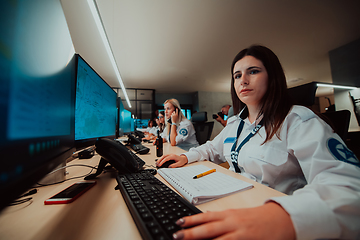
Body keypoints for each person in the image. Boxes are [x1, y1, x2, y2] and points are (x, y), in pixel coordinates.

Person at [157, 45, 360, 240]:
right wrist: (185, 156)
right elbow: (211, 148)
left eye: (252, 72)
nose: (243, 80)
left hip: (271, 216)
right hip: (232, 203)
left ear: (272, 77)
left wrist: (286, 216)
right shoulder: (236, 123)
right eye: (237, 76)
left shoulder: (297, 120)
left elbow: (349, 187)